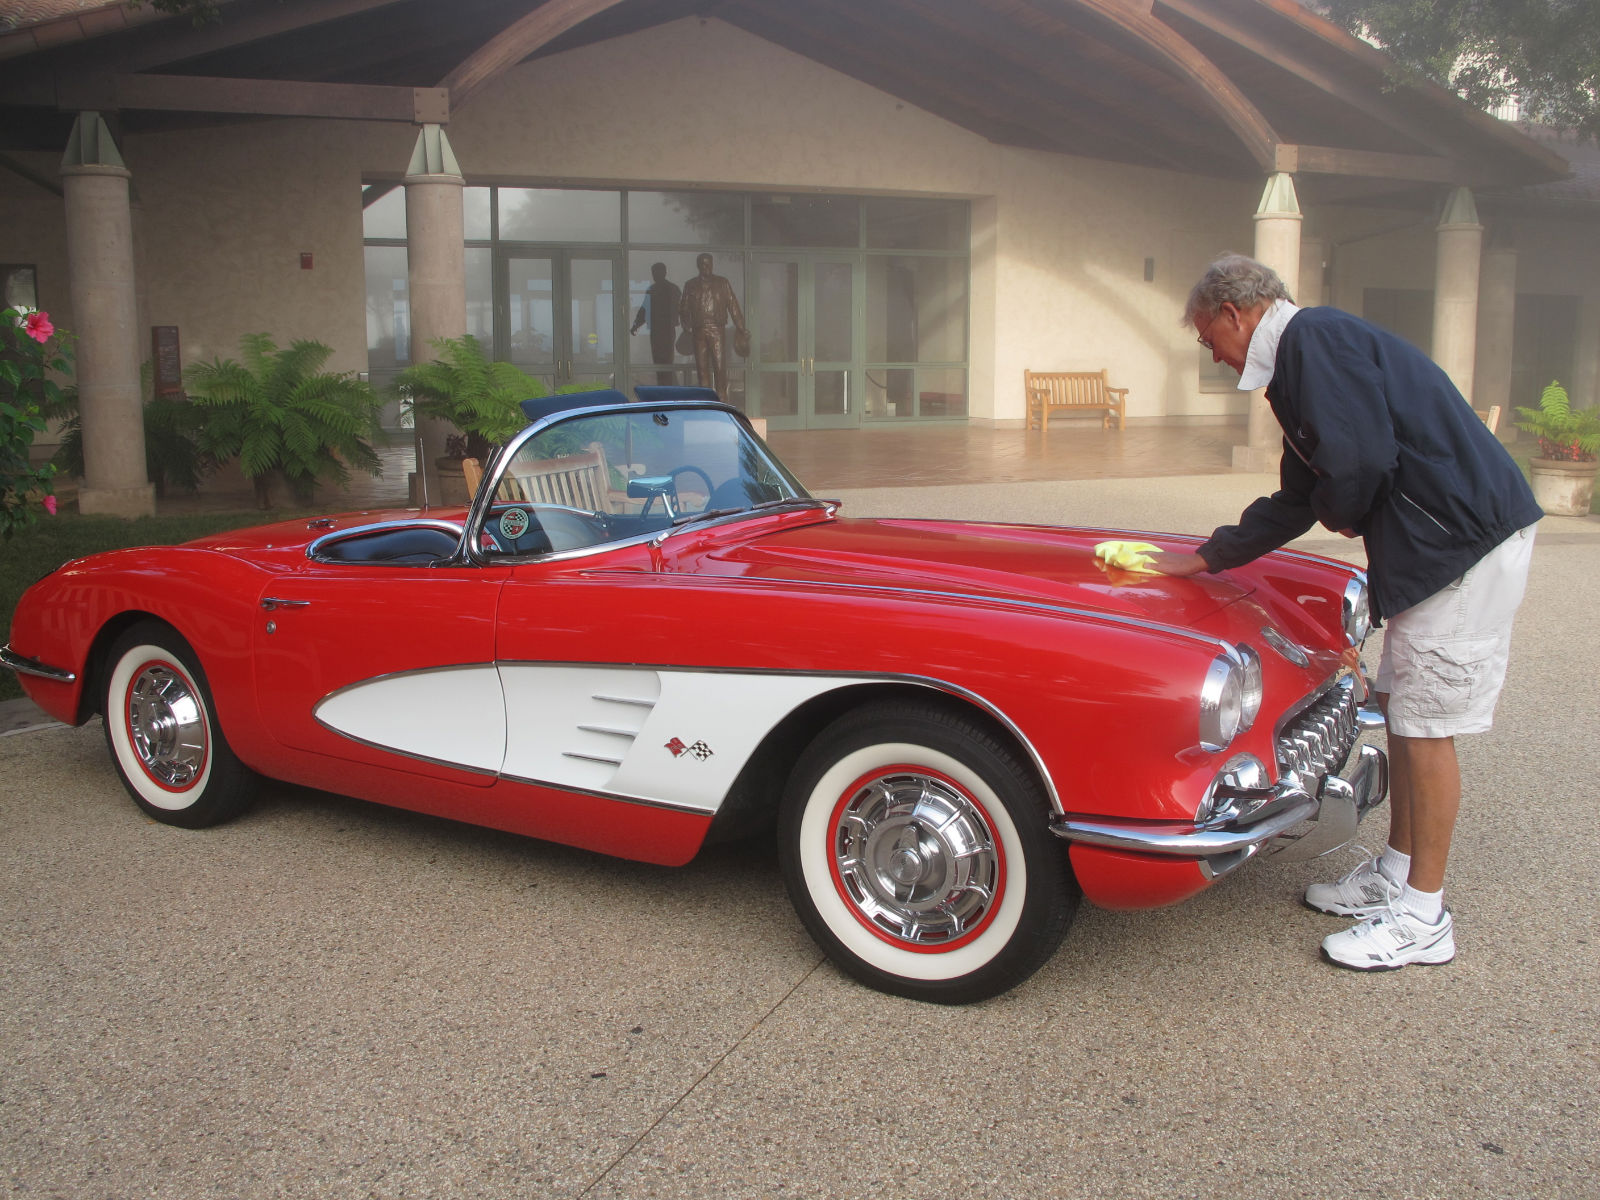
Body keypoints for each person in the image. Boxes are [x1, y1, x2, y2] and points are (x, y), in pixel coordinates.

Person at [1154, 252, 1541, 971]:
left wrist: (1343, 509)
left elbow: (1357, 468)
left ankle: (1424, 917)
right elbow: (1300, 495)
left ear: (1236, 314)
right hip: (1438, 549)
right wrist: (1209, 556)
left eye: (1209, 337)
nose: (1211, 353)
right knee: (1401, 710)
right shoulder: (1295, 368)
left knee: (1428, 727)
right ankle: (1396, 872)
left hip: (1462, 546)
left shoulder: (1315, 341)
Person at [678, 252, 747, 399]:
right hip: (698, 331)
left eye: (709, 264)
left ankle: (722, 401)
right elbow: (683, 309)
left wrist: (741, 327)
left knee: (720, 367)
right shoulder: (690, 285)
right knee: (702, 370)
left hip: (717, 330)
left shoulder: (722, 283)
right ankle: (706, 403)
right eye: (703, 264)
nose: (706, 267)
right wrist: (686, 326)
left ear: (712, 265)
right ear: (698, 266)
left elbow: (733, 305)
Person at [629, 262, 682, 386]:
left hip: (666, 330)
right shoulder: (654, 290)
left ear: (664, 273)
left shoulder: (670, 289)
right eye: (654, 272)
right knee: (660, 361)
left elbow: (682, 308)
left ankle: (668, 386)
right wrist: (636, 325)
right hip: (658, 330)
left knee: (665, 362)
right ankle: (666, 386)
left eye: (657, 272)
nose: (655, 275)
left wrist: (636, 325)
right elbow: (644, 310)